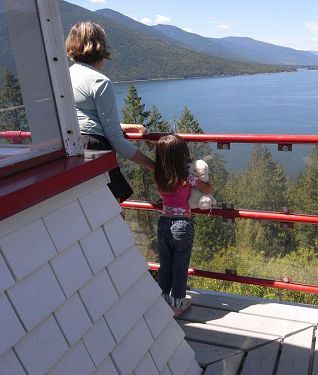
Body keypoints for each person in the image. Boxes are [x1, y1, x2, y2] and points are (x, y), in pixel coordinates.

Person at [65, 22, 154, 202]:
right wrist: (154, 166)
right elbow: (115, 139)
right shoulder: (99, 81)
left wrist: (128, 126)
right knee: (111, 212)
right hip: (95, 151)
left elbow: (85, 117)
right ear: (101, 46)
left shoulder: (64, 76)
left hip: (69, 149)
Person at [154, 134, 213, 317]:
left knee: (165, 264)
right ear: (182, 155)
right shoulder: (187, 178)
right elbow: (208, 189)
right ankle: (178, 302)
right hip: (182, 225)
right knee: (180, 267)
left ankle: (162, 299)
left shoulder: (159, 175)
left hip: (164, 223)